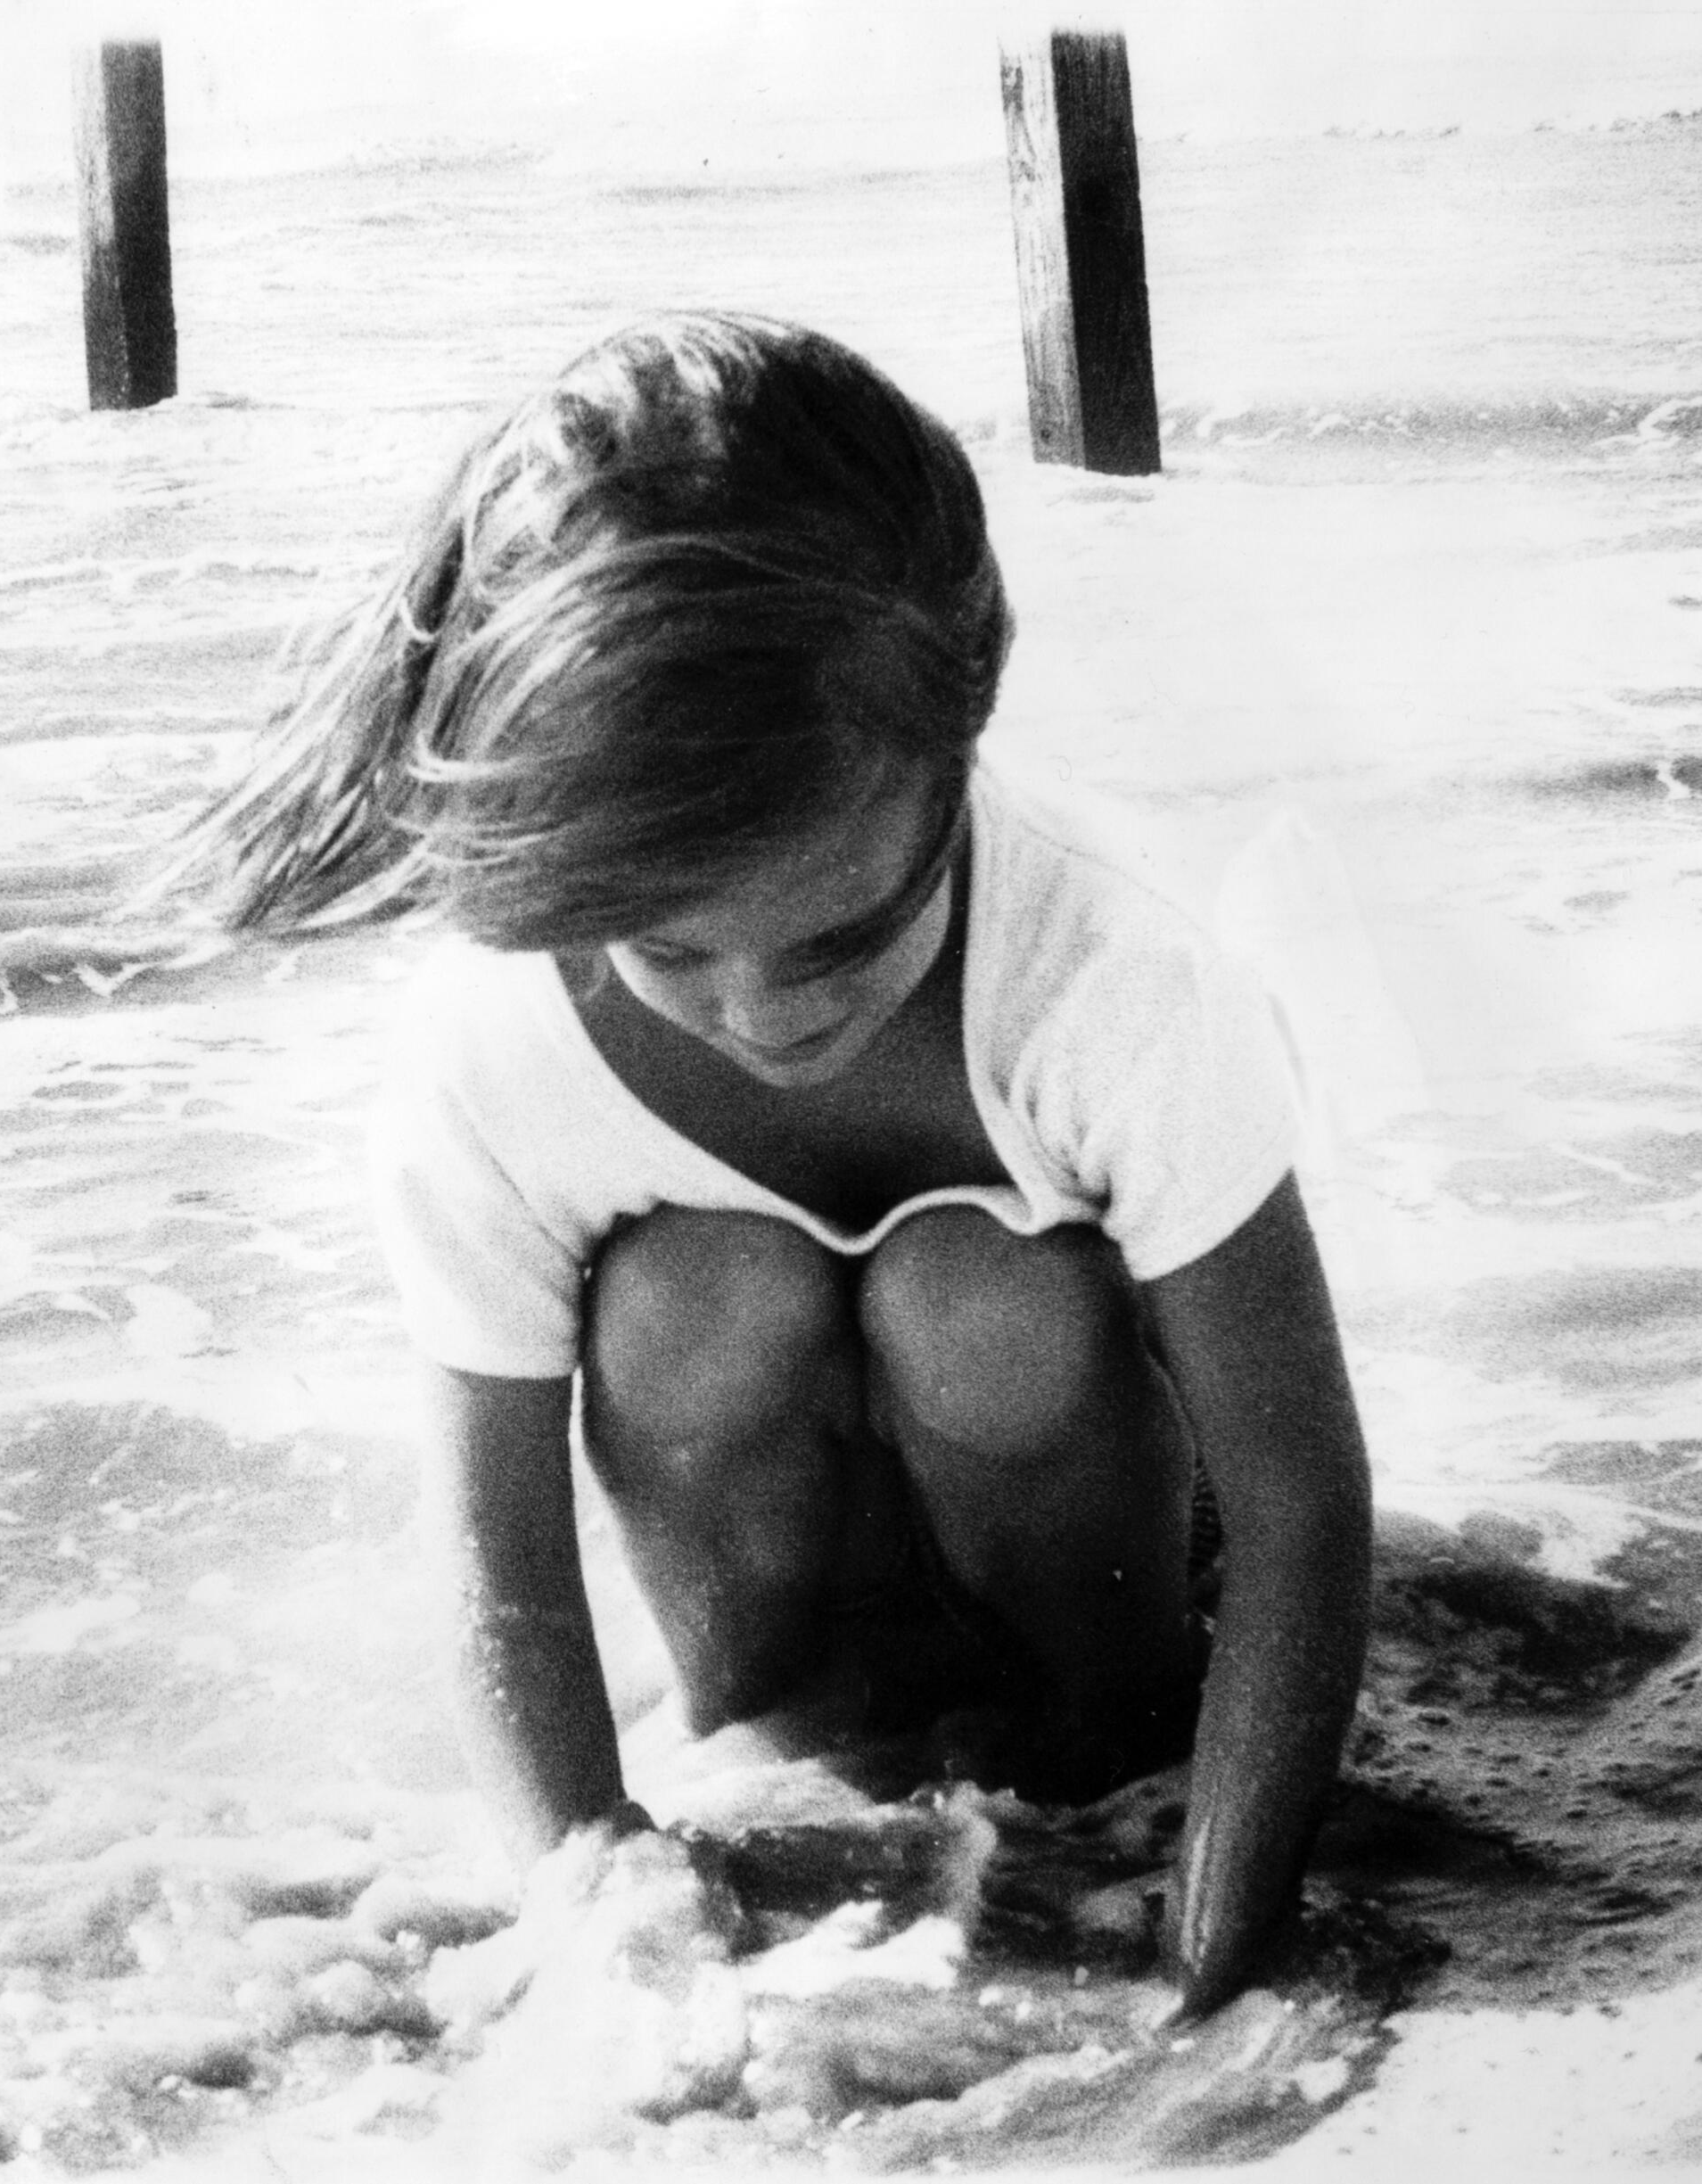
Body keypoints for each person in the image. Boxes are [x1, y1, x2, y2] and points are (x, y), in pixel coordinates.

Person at [185, 310, 1373, 2018]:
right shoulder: (493, 1052)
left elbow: (1299, 1507)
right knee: (691, 1292)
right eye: (673, 947)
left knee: (972, 1287)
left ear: (957, 759)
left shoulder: (1115, 988)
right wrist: (607, 1946)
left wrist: (1214, 1959)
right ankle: (797, 1769)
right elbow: (501, 1583)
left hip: (1104, 1642)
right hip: (769, 1654)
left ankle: (1093, 1770)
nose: (759, 1011)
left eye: (841, 938)